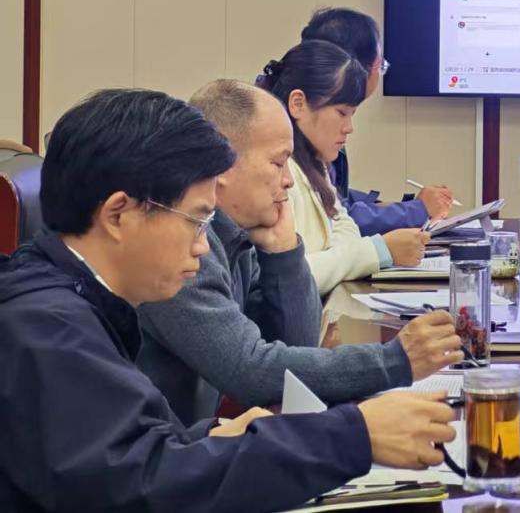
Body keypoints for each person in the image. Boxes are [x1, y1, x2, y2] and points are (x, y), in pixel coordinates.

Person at [0, 89, 456, 513]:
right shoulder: (48, 331)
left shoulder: (81, 305)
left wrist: (212, 435)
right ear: (118, 215)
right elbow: (145, 487)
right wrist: (352, 437)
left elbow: (130, 452)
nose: (203, 246)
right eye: (196, 222)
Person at [136, 79, 461, 424]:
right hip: (169, 450)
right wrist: (395, 360)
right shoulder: (182, 246)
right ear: (223, 166)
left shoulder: (237, 235)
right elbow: (251, 370)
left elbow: (294, 351)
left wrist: (283, 251)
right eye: (278, 163)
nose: (289, 180)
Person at [257, 40, 431, 293]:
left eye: (352, 114)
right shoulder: (280, 173)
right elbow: (295, 276)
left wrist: (340, 258)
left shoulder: (314, 163)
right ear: (298, 103)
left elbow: (344, 225)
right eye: (341, 113)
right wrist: (376, 251)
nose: (349, 128)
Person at [301, 7, 454, 234]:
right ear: (353, 66)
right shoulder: (293, 127)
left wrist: (389, 206)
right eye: (380, 65)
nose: (349, 128)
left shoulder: (310, 110)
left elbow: (334, 196)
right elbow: (331, 217)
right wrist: (415, 211)